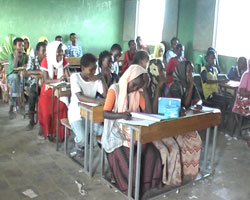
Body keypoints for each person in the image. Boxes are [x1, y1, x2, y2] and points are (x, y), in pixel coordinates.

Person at [102, 64, 163, 197]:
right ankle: (130, 190)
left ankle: (146, 186)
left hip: (132, 134)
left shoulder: (137, 92)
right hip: (116, 135)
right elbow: (105, 113)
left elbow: (148, 112)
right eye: (134, 85)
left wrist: (145, 90)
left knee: (153, 154)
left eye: (138, 87)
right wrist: (121, 115)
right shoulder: (115, 90)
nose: (134, 88)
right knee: (129, 165)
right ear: (128, 78)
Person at [68, 53, 107, 155]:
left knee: (101, 133)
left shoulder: (95, 79)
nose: (93, 72)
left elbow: (106, 95)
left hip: (90, 114)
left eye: (95, 69)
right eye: (91, 70)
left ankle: (85, 145)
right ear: (83, 68)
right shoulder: (75, 77)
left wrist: (101, 78)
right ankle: (78, 144)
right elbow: (79, 97)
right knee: (83, 139)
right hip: (76, 113)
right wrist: (97, 101)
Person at [38, 41, 70, 141]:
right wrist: (58, 80)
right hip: (48, 90)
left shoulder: (63, 60)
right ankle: (49, 132)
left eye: (61, 51)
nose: (61, 53)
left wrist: (68, 79)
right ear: (52, 51)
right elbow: (46, 80)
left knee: (62, 108)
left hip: (60, 89)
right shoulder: (46, 61)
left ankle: (60, 134)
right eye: (58, 51)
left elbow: (68, 75)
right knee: (47, 111)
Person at [25, 42, 46, 130]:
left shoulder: (48, 59)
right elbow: (28, 72)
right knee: (33, 95)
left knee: (47, 96)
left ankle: (45, 121)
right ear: (37, 52)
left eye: (46, 51)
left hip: (45, 83)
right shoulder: (33, 58)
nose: (45, 53)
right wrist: (40, 72)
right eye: (43, 51)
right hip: (34, 82)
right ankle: (32, 120)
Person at [7, 37, 28, 119]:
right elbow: (14, 67)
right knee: (16, 78)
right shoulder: (11, 55)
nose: (21, 47)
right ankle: (19, 103)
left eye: (23, 45)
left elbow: (27, 66)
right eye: (19, 45)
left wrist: (23, 68)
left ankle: (11, 107)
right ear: (14, 47)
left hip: (21, 76)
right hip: (11, 76)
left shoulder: (25, 56)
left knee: (18, 81)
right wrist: (16, 56)